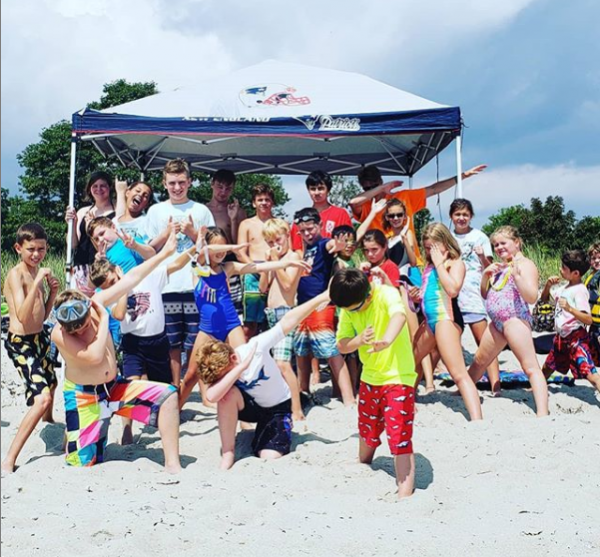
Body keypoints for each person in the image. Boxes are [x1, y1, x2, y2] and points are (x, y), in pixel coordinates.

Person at [51, 232, 182, 472]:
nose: (79, 330)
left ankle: (172, 464)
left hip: (113, 389)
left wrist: (165, 253)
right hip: (84, 397)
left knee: (169, 395)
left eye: (81, 323)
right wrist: (102, 320)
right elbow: (93, 356)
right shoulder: (59, 333)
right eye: (72, 328)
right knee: (85, 462)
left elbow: (132, 277)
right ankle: (73, 434)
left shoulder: (96, 303)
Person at [196, 291, 332, 470]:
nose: (224, 377)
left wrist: (323, 297)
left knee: (269, 456)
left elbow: (287, 321)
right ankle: (228, 454)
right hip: (251, 405)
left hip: (277, 407)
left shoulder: (256, 346)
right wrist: (239, 369)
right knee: (226, 395)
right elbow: (211, 396)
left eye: (224, 373)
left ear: (232, 357)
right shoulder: (234, 366)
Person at [179, 227, 311, 407]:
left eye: (224, 247)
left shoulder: (229, 267)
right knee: (191, 375)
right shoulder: (198, 267)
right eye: (219, 247)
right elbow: (205, 251)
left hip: (232, 324)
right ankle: (175, 408)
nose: (222, 252)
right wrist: (234, 246)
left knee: (243, 367)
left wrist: (285, 264)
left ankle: (246, 415)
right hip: (208, 328)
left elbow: (256, 267)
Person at [89, 245, 195, 442]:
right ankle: (127, 429)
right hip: (133, 343)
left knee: (165, 387)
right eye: (108, 286)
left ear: (117, 269)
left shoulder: (146, 277)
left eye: (113, 280)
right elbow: (119, 315)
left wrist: (196, 247)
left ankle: (165, 422)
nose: (112, 285)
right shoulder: (111, 294)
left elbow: (176, 265)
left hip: (158, 340)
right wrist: (122, 287)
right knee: (131, 384)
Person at [330, 268, 417, 499]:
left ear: (367, 294)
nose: (353, 312)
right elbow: (342, 344)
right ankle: (362, 462)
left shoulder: (386, 294)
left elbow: (399, 315)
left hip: (399, 377)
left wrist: (387, 340)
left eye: (356, 308)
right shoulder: (348, 308)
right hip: (369, 377)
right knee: (367, 428)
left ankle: (405, 492)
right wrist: (357, 341)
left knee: (399, 434)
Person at [146, 158, 215, 386]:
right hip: (167, 287)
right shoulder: (156, 211)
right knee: (172, 345)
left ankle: (200, 388)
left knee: (199, 343)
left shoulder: (201, 210)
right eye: (172, 183)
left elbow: (213, 249)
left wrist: (193, 233)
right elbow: (148, 250)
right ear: (164, 183)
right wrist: (167, 234)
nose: (177, 188)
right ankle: (174, 389)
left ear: (190, 182)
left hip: (196, 286)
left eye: (182, 182)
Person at [468, 226, 549, 417]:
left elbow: (531, 297)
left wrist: (518, 277)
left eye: (503, 243)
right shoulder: (501, 266)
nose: (499, 247)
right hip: (497, 323)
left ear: (517, 242)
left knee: (530, 367)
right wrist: (486, 275)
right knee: (480, 361)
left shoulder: (525, 265)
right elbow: (485, 293)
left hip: (515, 321)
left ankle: (543, 412)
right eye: (495, 244)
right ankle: (462, 390)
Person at [2, 223, 60, 473]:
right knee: (42, 397)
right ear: (18, 248)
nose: (36, 254)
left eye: (41, 249)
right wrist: (37, 283)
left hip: (39, 338)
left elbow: (41, 316)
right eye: (31, 249)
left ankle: (48, 420)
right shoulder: (17, 274)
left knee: (53, 381)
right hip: (21, 343)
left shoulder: (36, 271)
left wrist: (52, 294)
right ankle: (9, 459)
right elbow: (24, 317)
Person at [410, 223, 482, 420]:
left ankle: (477, 419)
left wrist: (440, 263)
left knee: (458, 372)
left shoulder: (455, 263)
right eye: (426, 248)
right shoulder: (430, 266)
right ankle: (407, 401)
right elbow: (432, 293)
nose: (430, 252)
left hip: (446, 319)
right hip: (430, 319)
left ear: (445, 243)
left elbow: (452, 289)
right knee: (412, 361)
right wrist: (417, 296)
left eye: (434, 247)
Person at [350, 164, 487, 261]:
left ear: (380, 181)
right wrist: (380, 188)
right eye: (367, 188)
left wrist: (461, 176)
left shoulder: (403, 196)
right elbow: (353, 202)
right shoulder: (366, 205)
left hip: (409, 259)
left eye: (374, 186)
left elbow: (433, 189)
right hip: (380, 259)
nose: (372, 190)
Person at [293, 207, 354, 405]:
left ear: (319, 226)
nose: (307, 233)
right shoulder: (305, 249)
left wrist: (338, 244)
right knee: (301, 352)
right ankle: (303, 391)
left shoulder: (321, 245)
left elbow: (331, 246)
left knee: (331, 352)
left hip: (321, 306)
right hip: (302, 306)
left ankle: (348, 398)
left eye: (311, 228)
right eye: (303, 230)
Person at [450, 199, 501, 395]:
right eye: (457, 214)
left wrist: (481, 255)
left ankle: (496, 385)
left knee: (484, 341)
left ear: (470, 216)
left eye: (465, 214)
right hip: (453, 292)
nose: (461, 218)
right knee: (452, 343)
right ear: (451, 217)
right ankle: (462, 384)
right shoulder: (448, 237)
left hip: (473, 293)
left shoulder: (479, 236)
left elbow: (490, 265)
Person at [260, 218, 306, 421]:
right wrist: (269, 265)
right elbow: (263, 287)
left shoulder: (293, 256)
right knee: (277, 363)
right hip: (272, 314)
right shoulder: (277, 260)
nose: (274, 245)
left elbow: (288, 285)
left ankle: (297, 409)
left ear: (287, 235)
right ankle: (286, 403)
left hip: (285, 312)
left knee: (283, 363)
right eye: (269, 242)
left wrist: (278, 262)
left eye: (277, 239)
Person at [540, 250, 599, 392]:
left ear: (576, 273)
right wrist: (548, 286)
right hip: (561, 338)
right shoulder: (564, 288)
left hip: (576, 339)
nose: (560, 270)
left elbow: (588, 319)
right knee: (547, 367)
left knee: (590, 373)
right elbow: (544, 300)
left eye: (564, 268)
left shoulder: (580, 290)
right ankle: (537, 388)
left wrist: (570, 309)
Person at [204, 169, 246, 325]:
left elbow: (238, 245)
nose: (223, 192)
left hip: (228, 264)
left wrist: (233, 220)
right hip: (206, 265)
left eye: (228, 188)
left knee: (232, 312)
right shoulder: (202, 210)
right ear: (212, 184)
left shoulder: (239, 212)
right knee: (209, 310)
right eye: (220, 186)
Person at [65, 171, 116, 296]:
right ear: (89, 189)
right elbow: (72, 244)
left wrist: (91, 226)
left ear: (109, 187)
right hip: (82, 266)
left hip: (104, 266)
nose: (99, 189)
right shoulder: (83, 211)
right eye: (95, 186)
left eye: (102, 185)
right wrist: (72, 224)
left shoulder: (116, 211)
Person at [237, 184, 277, 338]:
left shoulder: (280, 223)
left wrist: (274, 270)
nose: (264, 203)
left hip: (275, 270)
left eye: (267, 199)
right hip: (252, 273)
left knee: (273, 320)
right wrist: (256, 270)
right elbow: (241, 252)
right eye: (260, 199)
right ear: (254, 203)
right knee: (250, 324)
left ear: (272, 202)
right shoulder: (246, 224)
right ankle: (244, 356)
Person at [290, 170, 352, 252]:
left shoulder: (340, 213)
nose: (316, 192)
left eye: (320, 188)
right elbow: (297, 248)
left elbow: (349, 242)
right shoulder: (300, 218)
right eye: (313, 189)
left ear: (328, 190)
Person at [88, 216, 155, 271]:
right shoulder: (101, 256)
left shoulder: (128, 242)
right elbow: (91, 285)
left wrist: (136, 246)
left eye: (102, 234)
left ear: (113, 227)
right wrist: (99, 264)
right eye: (96, 239)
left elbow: (152, 255)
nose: (101, 239)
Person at [382, 198, 418, 272]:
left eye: (399, 215)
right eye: (391, 216)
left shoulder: (407, 233)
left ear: (404, 216)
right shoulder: (387, 240)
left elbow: (413, 262)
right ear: (387, 217)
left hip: (405, 277)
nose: (395, 218)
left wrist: (404, 239)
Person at [585, 242, 600, 361]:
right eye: (594, 258)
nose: (597, 261)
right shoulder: (591, 276)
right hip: (593, 324)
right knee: (594, 359)